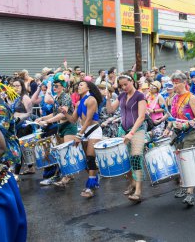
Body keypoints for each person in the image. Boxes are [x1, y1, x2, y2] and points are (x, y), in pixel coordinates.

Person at [163, 72, 195, 205]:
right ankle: (182, 186)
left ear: (184, 83)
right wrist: (168, 128)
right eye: (173, 82)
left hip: (191, 134)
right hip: (177, 133)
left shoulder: (190, 97)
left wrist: (186, 124)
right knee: (180, 162)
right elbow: (171, 117)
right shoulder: (173, 98)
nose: (174, 85)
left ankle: (190, 193)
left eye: (176, 83)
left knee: (188, 162)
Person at [106, 74, 146, 202]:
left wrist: (132, 133)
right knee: (125, 159)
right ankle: (132, 183)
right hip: (123, 130)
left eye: (125, 84)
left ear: (131, 81)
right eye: (121, 85)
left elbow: (141, 117)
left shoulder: (140, 96)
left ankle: (138, 191)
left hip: (137, 130)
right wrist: (107, 98)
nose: (124, 87)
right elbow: (110, 110)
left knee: (136, 158)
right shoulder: (122, 95)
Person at [60, 81, 103, 198]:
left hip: (93, 130)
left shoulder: (91, 99)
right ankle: (94, 176)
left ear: (88, 87)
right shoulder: (79, 103)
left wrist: (79, 135)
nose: (78, 87)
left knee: (90, 157)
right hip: (83, 131)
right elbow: (73, 120)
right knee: (85, 161)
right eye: (77, 86)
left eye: (81, 85)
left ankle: (90, 187)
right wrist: (65, 113)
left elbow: (89, 120)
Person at [36, 73, 78, 186]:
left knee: (66, 152)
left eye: (57, 86)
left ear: (63, 87)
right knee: (62, 153)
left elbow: (62, 114)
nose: (55, 88)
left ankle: (67, 177)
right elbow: (54, 114)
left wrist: (48, 121)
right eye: (54, 86)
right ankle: (69, 174)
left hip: (69, 125)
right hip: (61, 127)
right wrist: (42, 118)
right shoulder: (56, 97)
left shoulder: (65, 97)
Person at [11, 79, 34, 176]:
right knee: (23, 149)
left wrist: (19, 115)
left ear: (22, 87)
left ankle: (16, 173)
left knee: (20, 149)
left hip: (24, 126)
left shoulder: (25, 97)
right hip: (18, 126)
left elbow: (29, 113)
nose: (15, 88)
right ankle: (31, 168)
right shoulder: (17, 97)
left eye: (18, 86)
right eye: (14, 86)